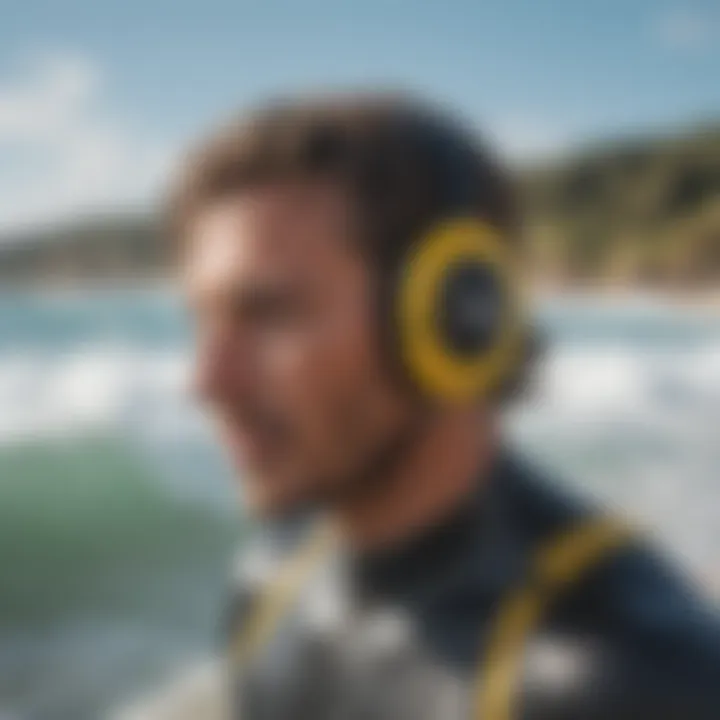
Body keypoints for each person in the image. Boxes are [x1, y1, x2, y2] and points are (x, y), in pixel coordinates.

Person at [166, 91, 720, 719]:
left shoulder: (635, 679)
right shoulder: (269, 579)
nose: (207, 382)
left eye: (269, 314)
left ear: (453, 317)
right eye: (202, 321)